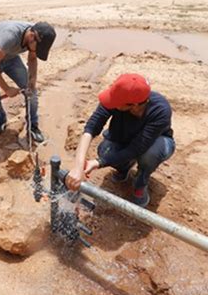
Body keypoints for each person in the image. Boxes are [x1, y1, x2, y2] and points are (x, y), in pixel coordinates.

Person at [65, 73, 175, 208]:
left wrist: (99, 163)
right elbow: (91, 128)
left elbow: (138, 147)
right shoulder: (118, 97)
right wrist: (78, 166)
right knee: (105, 150)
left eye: (115, 101)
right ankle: (123, 168)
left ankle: (140, 183)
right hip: (126, 137)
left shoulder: (160, 110)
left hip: (157, 142)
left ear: (134, 105)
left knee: (149, 155)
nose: (111, 102)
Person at [0, 20, 56, 142]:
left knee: (32, 93)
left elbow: (32, 59)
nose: (37, 51)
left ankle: (33, 126)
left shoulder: (34, 37)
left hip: (11, 58)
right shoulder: (10, 35)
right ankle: (0, 120)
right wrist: (7, 89)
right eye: (38, 48)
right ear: (31, 37)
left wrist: (32, 81)